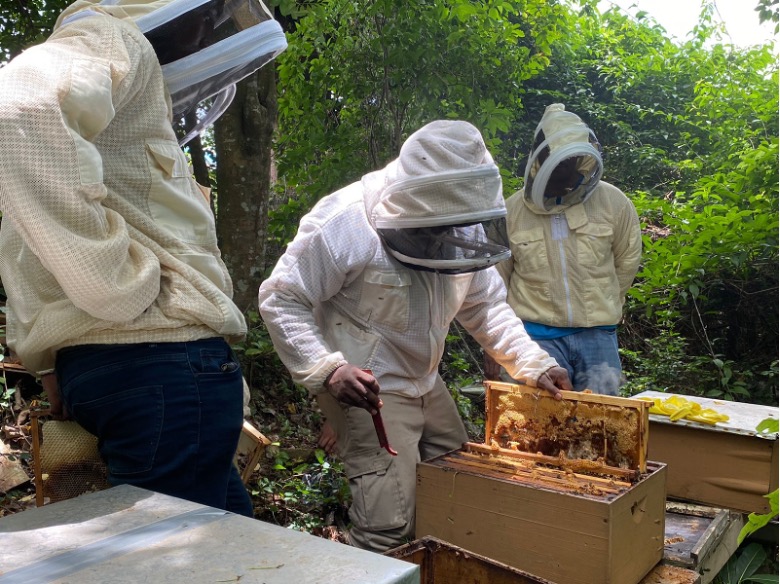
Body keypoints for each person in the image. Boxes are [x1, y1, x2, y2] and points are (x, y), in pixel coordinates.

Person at [0, 0, 286, 515]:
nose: (208, 30)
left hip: (118, 367)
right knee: (179, 559)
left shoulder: (103, 108)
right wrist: (116, 282)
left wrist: (47, 364)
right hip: (159, 363)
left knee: (230, 540)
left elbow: (22, 250)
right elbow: (19, 108)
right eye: (209, 13)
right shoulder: (113, 38)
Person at [258, 120, 572, 552]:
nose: (445, 238)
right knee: (388, 524)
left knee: (456, 486)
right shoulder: (346, 221)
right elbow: (282, 298)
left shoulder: (464, 221)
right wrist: (327, 370)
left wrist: (534, 364)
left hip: (425, 378)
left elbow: (486, 307)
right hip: (366, 385)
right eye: (434, 229)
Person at [485, 103, 642, 395]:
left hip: (597, 336)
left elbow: (627, 261)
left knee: (602, 428)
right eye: (556, 166)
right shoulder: (512, 211)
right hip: (532, 339)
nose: (563, 174)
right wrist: (497, 344)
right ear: (538, 161)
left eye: (568, 165)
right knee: (534, 431)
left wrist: (601, 302)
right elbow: (497, 280)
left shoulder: (614, 203)